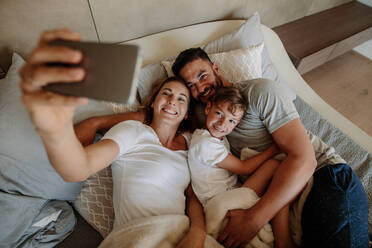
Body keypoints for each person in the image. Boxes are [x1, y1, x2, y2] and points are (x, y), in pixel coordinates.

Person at [29, 29, 368, 247]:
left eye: (203, 76)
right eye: (189, 87)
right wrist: (100, 119)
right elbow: (156, 116)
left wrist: (254, 218)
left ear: (217, 70)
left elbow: (303, 159)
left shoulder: (260, 92)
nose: (199, 88)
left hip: (322, 178)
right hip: (285, 201)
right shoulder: (196, 120)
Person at [20, 29, 207, 247]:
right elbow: (80, 167)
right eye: (166, 93)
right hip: (141, 237)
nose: (172, 101)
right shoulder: (133, 131)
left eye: (181, 98)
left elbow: (192, 197)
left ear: (186, 113)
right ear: (154, 103)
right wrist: (56, 129)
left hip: (184, 233)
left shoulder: (190, 144)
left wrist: (198, 233)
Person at [188, 86, 295, 248]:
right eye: (219, 114)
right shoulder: (205, 144)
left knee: (282, 183)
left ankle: (283, 237)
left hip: (231, 194)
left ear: (236, 124)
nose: (223, 123)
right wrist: (274, 148)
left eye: (231, 121)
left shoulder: (209, 137)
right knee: (278, 171)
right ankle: (284, 241)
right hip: (221, 203)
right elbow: (244, 168)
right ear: (208, 108)